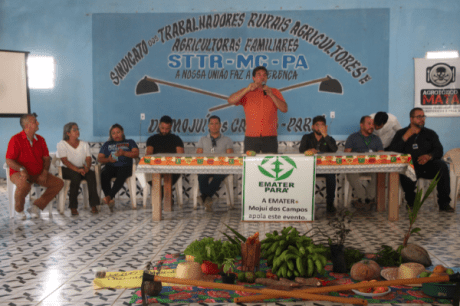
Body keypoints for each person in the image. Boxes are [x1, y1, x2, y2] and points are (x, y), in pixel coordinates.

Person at [388, 108, 453, 212]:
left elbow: (439, 150)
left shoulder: (430, 133)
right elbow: (393, 151)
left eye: (423, 116)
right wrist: (405, 137)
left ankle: (444, 203)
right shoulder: (401, 133)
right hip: (410, 167)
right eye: (419, 117)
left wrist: (429, 156)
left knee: (442, 166)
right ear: (411, 119)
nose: (422, 119)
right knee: (405, 168)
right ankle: (411, 202)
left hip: (428, 166)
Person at [6, 113, 64, 219]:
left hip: (38, 173)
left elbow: (46, 159)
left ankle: (36, 206)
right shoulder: (15, 139)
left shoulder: (41, 140)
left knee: (58, 183)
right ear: (27, 125)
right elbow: (9, 160)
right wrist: (21, 169)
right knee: (24, 185)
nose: (38, 123)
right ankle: (19, 210)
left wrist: (45, 172)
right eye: (35, 122)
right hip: (20, 173)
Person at [227, 66, 287, 153]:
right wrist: (247, 90)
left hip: (270, 137)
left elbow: (284, 109)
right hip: (251, 137)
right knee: (250, 165)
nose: (262, 77)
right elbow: (230, 100)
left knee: (270, 165)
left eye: (264, 75)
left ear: (266, 78)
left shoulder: (274, 91)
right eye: (259, 75)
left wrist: (272, 95)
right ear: (253, 78)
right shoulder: (247, 91)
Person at [56, 122, 99, 215]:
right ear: (68, 133)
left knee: (91, 175)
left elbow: (88, 158)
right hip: (67, 169)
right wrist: (77, 170)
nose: (77, 131)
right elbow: (65, 161)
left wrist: (87, 168)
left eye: (78, 129)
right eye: (74, 130)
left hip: (82, 168)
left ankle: (94, 205)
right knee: (75, 176)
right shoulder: (61, 144)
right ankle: (73, 207)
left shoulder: (84, 144)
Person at [299, 116, 338, 213]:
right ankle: (305, 204)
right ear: (312, 127)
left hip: (325, 169)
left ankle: (330, 204)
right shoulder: (306, 137)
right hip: (310, 169)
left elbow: (334, 150)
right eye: (317, 125)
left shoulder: (329, 139)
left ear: (326, 127)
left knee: (331, 175)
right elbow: (301, 150)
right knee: (303, 176)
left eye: (322, 126)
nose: (319, 128)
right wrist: (309, 150)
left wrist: (325, 135)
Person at [344, 116, 384, 209]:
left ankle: (368, 199)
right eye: (369, 124)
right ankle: (363, 198)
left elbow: (381, 155)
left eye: (373, 124)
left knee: (380, 173)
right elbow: (346, 154)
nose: (372, 126)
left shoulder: (376, 139)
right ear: (361, 125)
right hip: (356, 166)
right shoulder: (352, 137)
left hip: (372, 167)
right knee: (350, 172)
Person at [196, 115, 234, 212]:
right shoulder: (203, 139)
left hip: (221, 167)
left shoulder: (227, 140)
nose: (214, 126)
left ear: (220, 125)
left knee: (219, 174)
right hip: (206, 167)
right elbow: (198, 156)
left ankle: (204, 197)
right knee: (202, 175)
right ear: (208, 126)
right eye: (212, 124)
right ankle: (207, 199)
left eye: (216, 123)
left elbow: (230, 157)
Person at [98, 124, 139, 211]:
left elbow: (136, 154)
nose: (116, 135)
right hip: (111, 166)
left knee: (122, 174)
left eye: (118, 132)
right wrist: (108, 159)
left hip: (125, 166)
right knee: (104, 174)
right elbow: (100, 158)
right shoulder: (107, 144)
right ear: (110, 135)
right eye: (113, 133)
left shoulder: (130, 142)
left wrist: (124, 153)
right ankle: (110, 199)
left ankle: (109, 197)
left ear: (122, 132)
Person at [146, 115, 184, 190]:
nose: (164, 131)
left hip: (172, 168)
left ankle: (162, 195)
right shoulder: (152, 139)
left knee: (172, 174)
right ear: (159, 126)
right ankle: (166, 196)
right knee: (150, 175)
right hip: (156, 167)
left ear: (170, 127)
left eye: (167, 129)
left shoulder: (176, 139)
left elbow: (181, 156)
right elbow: (148, 155)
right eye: (162, 128)